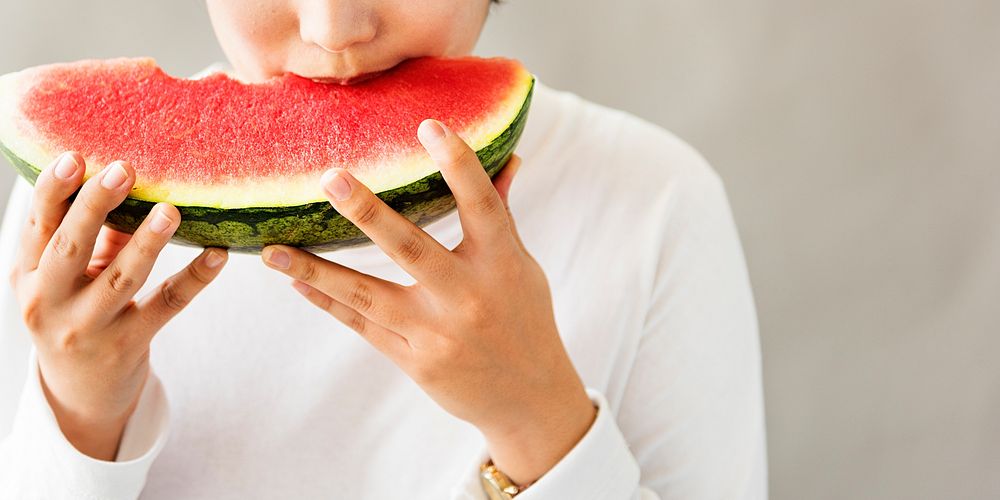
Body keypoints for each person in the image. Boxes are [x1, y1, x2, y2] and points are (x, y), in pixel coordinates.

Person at [0, 0, 768, 498]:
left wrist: (539, 419)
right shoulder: (86, 221)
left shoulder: (653, 198)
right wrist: (80, 416)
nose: (334, 31)